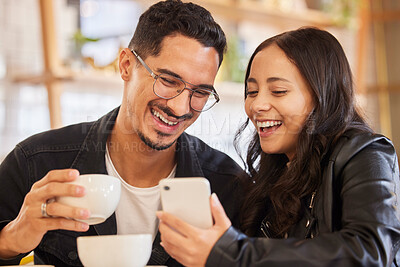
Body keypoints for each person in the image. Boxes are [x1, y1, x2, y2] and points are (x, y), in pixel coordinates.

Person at [0, 0, 244, 266]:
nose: (179, 107)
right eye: (168, 81)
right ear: (126, 65)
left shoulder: (229, 187)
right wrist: (11, 240)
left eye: (200, 93)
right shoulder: (36, 162)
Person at [157, 27, 400, 266]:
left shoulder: (366, 153)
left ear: (321, 94)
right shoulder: (274, 173)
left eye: (278, 91)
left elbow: (371, 251)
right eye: (252, 91)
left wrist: (234, 252)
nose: (257, 105)